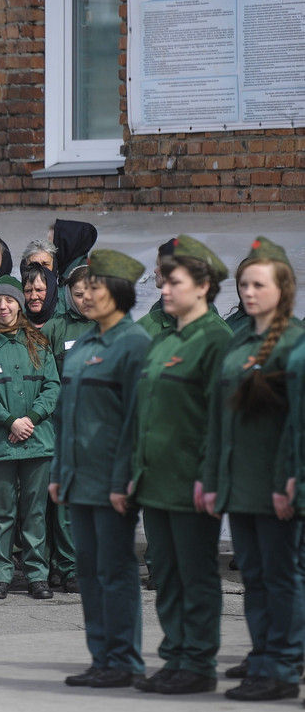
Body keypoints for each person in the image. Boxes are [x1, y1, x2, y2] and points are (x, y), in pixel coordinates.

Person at [202, 237, 305, 701]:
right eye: (244, 284)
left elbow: (298, 425)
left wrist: (292, 480)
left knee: (281, 576)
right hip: (241, 482)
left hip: (277, 482)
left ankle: (283, 665)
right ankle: (264, 654)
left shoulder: (294, 344)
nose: (248, 292)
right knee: (255, 577)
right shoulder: (239, 339)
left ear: (283, 289)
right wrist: (214, 476)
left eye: (259, 284)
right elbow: (221, 418)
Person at [129, 236, 231, 694]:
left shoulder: (215, 340)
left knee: (195, 573)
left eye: (174, 282)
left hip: (193, 483)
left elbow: (224, 419)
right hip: (156, 480)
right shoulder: (160, 334)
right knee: (166, 572)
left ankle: (198, 661)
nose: (163, 289)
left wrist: (211, 478)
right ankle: (175, 654)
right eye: (163, 281)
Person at [49, 249, 151, 688]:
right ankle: (101, 656)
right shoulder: (85, 343)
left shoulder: (134, 344)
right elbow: (66, 415)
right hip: (77, 479)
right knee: (87, 573)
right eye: (83, 289)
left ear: (120, 293)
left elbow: (137, 420)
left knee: (116, 570)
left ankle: (125, 659)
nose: (86, 295)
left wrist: (123, 479)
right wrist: (58, 472)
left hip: (112, 482)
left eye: (96, 287)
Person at [0, 275, 59, 601]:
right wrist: (10, 420)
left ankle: (38, 575)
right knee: (1, 512)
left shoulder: (37, 341)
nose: (3, 306)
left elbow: (52, 387)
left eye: (8, 300)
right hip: (1, 443)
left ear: (18, 304)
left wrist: (31, 419)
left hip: (36, 441)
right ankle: (0, 574)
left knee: (34, 513)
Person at [39, 264, 92, 592]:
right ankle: (68, 566)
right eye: (78, 293)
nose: (85, 299)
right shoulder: (56, 328)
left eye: (91, 292)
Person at [21, 262, 59, 329]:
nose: (33, 297)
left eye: (39, 290)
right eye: (28, 291)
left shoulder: (63, 324)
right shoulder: (17, 324)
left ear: (51, 291)